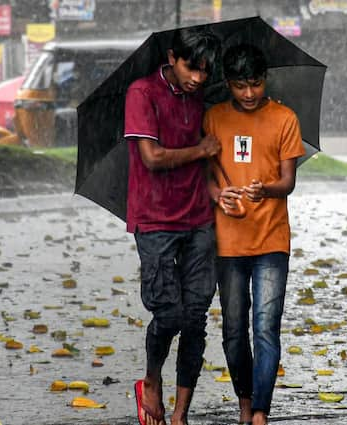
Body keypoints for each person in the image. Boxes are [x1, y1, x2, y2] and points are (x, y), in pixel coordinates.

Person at [123, 26, 221, 425]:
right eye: (190, 68)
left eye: (204, 71)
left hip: (198, 217)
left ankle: (180, 414)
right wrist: (201, 149)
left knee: (196, 315)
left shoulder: (201, 98)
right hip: (155, 219)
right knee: (169, 314)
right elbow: (151, 156)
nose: (197, 78)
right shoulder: (141, 93)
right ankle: (150, 380)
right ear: (171, 57)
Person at [204, 44, 305, 425]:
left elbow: (288, 181)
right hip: (228, 242)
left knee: (265, 327)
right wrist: (219, 195)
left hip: (271, 240)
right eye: (241, 86)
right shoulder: (212, 118)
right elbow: (207, 175)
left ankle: (260, 411)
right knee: (233, 330)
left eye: (256, 84)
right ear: (228, 83)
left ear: (265, 80)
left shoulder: (284, 118)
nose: (249, 94)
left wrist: (267, 190)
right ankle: (244, 402)